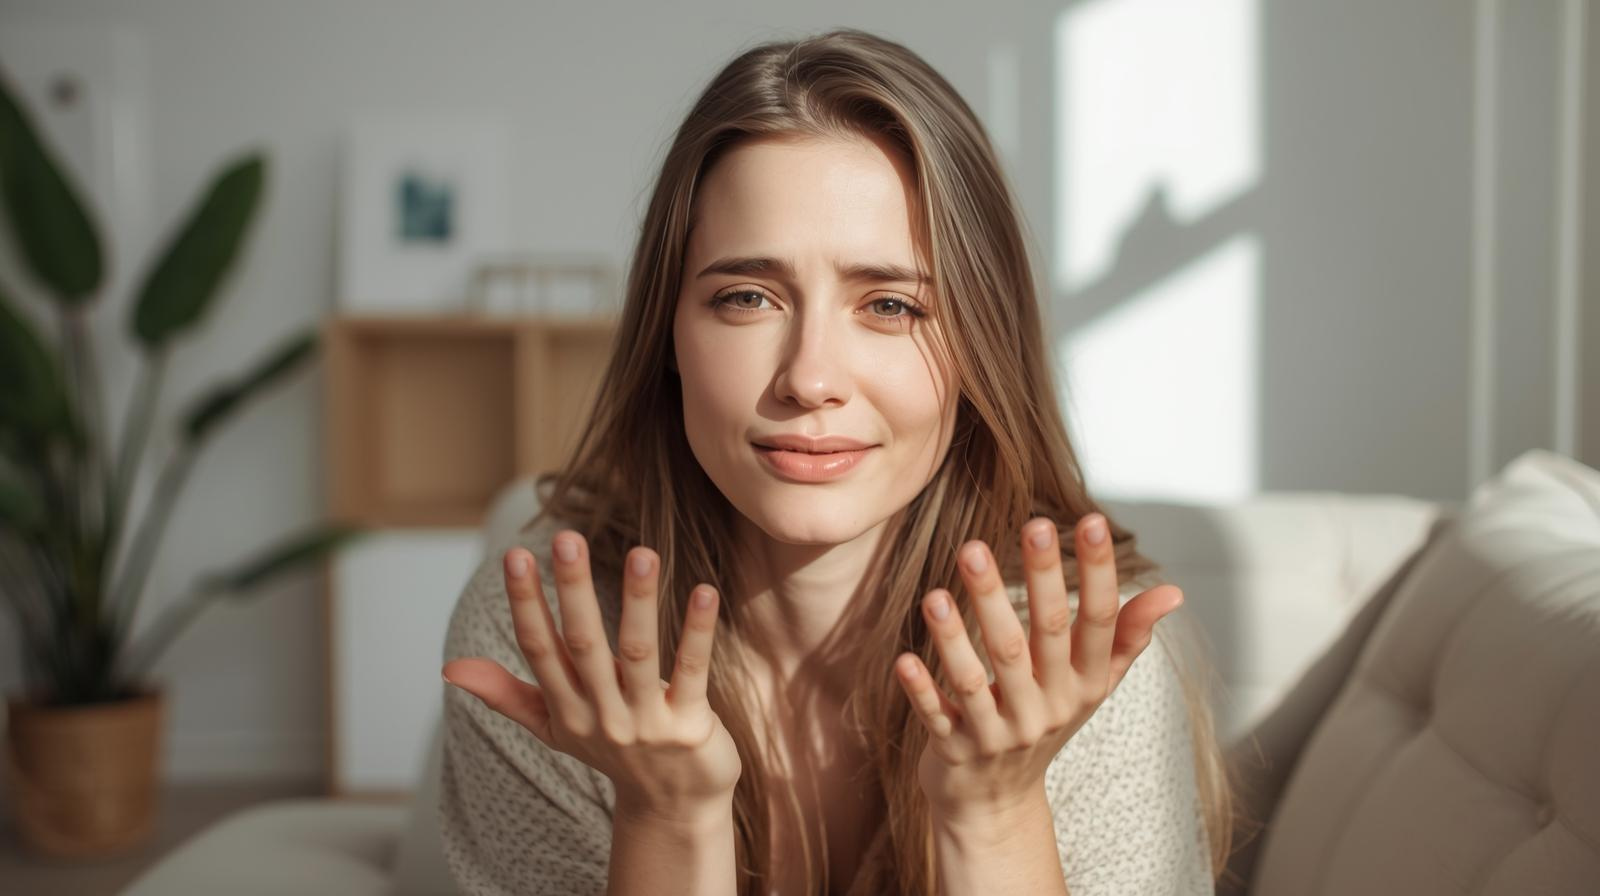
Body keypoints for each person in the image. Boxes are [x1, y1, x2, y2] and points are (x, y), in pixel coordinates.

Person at [437, 27, 1233, 896]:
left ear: (980, 349)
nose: (810, 377)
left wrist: (996, 815)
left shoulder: (1078, 665)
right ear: (669, 333)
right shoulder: (548, 634)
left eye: (890, 305)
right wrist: (667, 819)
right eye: (746, 297)